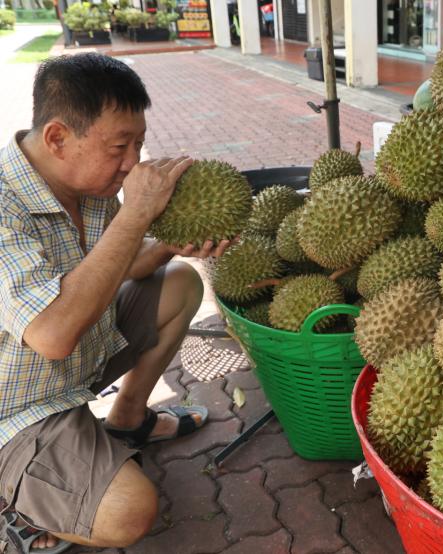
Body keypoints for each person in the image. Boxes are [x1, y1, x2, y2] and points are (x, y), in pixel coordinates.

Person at [0, 53, 231, 553]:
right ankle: (13, 509)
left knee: (181, 283)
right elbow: (52, 336)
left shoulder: (90, 182)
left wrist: (171, 242)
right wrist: (137, 216)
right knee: (129, 512)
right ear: (58, 138)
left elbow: (116, 266)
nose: (132, 162)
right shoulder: (3, 206)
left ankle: (127, 419)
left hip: (79, 360)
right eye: (119, 147)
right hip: (17, 407)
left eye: (139, 144)